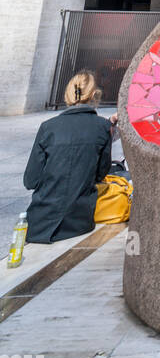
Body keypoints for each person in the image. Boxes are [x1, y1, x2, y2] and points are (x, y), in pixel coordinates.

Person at [23, 71, 114, 243]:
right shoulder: (103, 127)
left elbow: (30, 180)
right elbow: (100, 174)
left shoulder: (48, 127)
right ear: (94, 95)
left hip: (40, 222)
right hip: (79, 221)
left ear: (67, 94)